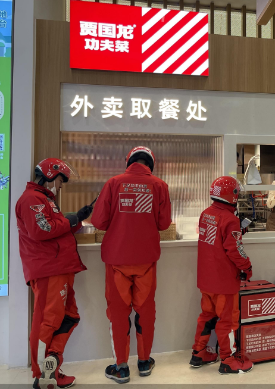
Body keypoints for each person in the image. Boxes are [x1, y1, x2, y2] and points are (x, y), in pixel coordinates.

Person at [91, 146, 172, 383]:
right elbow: (164, 224)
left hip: (117, 260)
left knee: (118, 313)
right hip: (146, 260)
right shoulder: (159, 185)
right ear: (151, 164)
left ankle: (121, 367)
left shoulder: (113, 183)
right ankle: (144, 362)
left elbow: (99, 222)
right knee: (145, 312)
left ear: (128, 162)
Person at [16, 158, 93, 389]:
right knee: (47, 321)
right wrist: (71, 220)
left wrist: (77, 219)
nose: (60, 186)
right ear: (50, 175)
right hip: (49, 270)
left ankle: (52, 362)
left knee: (69, 317)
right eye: (60, 180)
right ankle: (42, 375)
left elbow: (57, 227)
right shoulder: (32, 199)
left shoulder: (45, 200)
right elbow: (42, 229)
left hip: (60, 268)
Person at [191, 176, 254, 375]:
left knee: (206, 316)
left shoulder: (206, 214)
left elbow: (216, 240)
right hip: (224, 281)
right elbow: (235, 250)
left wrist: (237, 230)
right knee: (228, 321)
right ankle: (228, 359)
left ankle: (198, 352)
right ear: (232, 196)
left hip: (206, 280)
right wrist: (247, 267)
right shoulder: (230, 220)